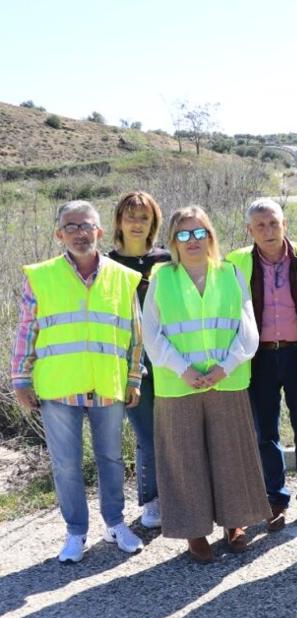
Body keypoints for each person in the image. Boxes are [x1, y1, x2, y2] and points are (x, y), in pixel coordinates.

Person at [10, 200, 145, 563]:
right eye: (71, 227)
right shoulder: (40, 275)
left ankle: (115, 524)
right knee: (66, 463)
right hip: (59, 386)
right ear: (59, 234)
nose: (80, 233)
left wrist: (134, 377)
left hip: (107, 385)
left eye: (87, 226)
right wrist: (20, 378)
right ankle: (75, 533)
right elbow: (27, 329)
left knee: (112, 459)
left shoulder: (123, 276)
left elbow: (135, 333)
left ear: (100, 231)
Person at [143, 206, 270, 562]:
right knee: (184, 459)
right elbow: (151, 333)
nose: (193, 240)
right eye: (184, 234)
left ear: (210, 236)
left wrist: (224, 368)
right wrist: (182, 368)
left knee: (232, 453)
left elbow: (248, 331)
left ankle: (236, 522)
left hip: (225, 382)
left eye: (199, 233)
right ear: (173, 241)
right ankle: (195, 530)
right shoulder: (161, 278)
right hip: (178, 384)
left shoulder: (230, 274)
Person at [227, 199, 297, 534]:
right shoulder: (235, 263)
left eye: (274, 223)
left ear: (285, 225)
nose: (268, 231)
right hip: (260, 358)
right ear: (249, 231)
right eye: (260, 225)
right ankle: (274, 500)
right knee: (265, 433)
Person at [108, 191, 171, 530]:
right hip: (129, 364)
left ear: (153, 223)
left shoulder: (166, 260)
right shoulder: (107, 264)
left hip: (169, 358)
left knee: (175, 431)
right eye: (130, 216)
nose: (137, 223)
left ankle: (182, 495)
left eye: (143, 218)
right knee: (148, 435)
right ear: (118, 220)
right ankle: (152, 500)